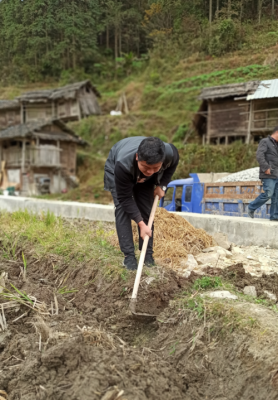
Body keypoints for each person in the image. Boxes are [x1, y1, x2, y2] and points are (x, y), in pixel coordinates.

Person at [104, 136, 179, 270]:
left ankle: (147, 255)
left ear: (162, 161)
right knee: (122, 209)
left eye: (156, 168)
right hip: (119, 171)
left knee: (147, 210)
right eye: (146, 167)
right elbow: (125, 198)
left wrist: (162, 185)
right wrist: (140, 223)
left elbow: (174, 162)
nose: (150, 171)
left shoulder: (168, 153)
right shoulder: (122, 165)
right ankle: (129, 257)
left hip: (143, 177)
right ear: (138, 157)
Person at [248, 127, 278, 220]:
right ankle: (251, 207)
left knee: (276, 196)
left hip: (277, 174)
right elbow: (259, 155)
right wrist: (265, 167)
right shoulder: (265, 141)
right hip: (268, 174)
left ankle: (274, 216)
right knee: (268, 194)